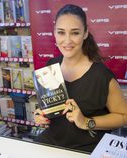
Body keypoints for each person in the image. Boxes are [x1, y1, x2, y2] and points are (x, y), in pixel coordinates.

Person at [33, 4, 127, 153]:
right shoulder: (51, 65)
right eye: (61, 32)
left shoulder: (101, 76)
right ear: (54, 34)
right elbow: (48, 106)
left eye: (75, 33)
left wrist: (86, 122)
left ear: (85, 33)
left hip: (85, 150)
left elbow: (124, 116)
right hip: (51, 144)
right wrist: (40, 114)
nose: (67, 40)